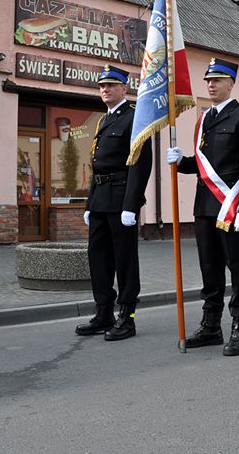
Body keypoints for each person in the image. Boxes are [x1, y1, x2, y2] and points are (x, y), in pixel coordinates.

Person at [166, 58, 239, 355]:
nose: (211, 84)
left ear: (231, 83)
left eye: (218, 79)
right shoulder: (203, 119)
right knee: (209, 267)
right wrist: (182, 161)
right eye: (208, 80)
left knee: (237, 265)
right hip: (205, 204)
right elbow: (202, 165)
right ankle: (211, 324)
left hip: (229, 205)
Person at [75, 65, 153, 341]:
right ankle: (103, 312)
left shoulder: (134, 118)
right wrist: (88, 205)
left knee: (125, 261)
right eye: (101, 86)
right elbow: (97, 166)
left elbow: (140, 165)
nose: (105, 89)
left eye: (111, 85)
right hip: (100, 200)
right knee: (99, 259)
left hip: (120, 200)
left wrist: (131, 205)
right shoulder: (103, 120)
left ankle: (127, 316)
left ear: (124, 88)